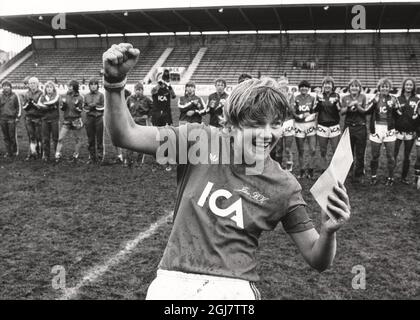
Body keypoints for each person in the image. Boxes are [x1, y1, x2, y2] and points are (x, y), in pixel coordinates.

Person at [102, 43, 351, 300]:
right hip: (172, 285)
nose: (267, 134)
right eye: (255, 124)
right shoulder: (198, 141)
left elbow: (316, 257)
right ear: (230, 125)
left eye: (276, 124)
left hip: (233, 292)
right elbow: (125, 134)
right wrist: (114, 81)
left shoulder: (284, 185)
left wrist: (329, 231)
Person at [364, 78, 399, 186]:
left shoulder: (394, 98)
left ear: (389, 88)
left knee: (390, 156)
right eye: (382, 86)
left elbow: (399, 114)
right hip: (376, 128)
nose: (384, 88)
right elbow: (367, 110)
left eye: (386, 86)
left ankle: (391, 177)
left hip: (389, 129)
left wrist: (394, 107)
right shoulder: (375, 97)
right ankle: (373, 176)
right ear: (379, 88)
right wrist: (374, 103)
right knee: (375, 155)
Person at [340, 79, 368, 184]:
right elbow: (342, 112)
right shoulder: (345, 98)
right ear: (349, 87)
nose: (354, 87)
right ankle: (349, 172)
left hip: (360, 127)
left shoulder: (363, 97)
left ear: (359, 88)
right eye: (352, 86)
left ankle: (359, 174)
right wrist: (348, 106)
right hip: (348, 127)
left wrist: (357, 105)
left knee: (360, 152)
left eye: (356, 86)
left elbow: (365, 112)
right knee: (348, 152)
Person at [394, 77, 420, 184]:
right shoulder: (397, 99)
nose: (408, 86)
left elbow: (419, 117)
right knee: (393, 154)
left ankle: (403, 177)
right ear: (404, 86)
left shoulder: (417, 100)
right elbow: (393, 115)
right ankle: (391, 176)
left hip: (410, 132)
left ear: (413, 87)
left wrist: (416, 129)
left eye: (410, 85)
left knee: (407, 156)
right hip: (397, 132)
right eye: (407, 84)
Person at [314, 76, 341, 171]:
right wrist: (318, 102)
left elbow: (339, 110)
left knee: (335, 150)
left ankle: (336, 169)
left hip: (334, 126)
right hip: (322, 126)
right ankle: (324, 169)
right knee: (323, 150)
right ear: (323, 86)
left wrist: (337, 103)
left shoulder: (336, 95)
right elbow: (314, 110)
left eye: (329, 84)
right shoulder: (319, 96)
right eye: (325, 84)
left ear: (332, 86)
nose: (327, 85)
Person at [55, 80, 84, 162]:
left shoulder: (80, 97)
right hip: (67, 120)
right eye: (69, 86)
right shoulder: (64, 96)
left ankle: (76, 155)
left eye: (71, 86)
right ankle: (57, 154)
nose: (69, 87)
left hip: (76, 119)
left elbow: (81, 109)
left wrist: (77, 107)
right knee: (60, 138)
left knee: (78, 139)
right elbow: (62, 108)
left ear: (75, 87)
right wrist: (63, 106)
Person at [124, 82, 153, 166]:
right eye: (137, 90)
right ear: (134, 90)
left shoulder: (146, 99)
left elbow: (153, 107)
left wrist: (148, 115)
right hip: (131, 123)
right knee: (129, 141)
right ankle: (128, 160)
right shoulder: (130, 98)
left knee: (141, 142)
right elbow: (125, 109)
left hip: (142, 123)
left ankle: (139, 161)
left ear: (143, 91)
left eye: (140, 90)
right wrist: (128, 117)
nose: (138, 91)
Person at [270, 76, 295, 171]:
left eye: (284, 83)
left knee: (288, 148)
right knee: (278, 148)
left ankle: (289, 168)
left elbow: (292, 111)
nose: (282, 86)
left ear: (287, 84)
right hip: (278, 122)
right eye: (281, 84)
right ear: (278, 85)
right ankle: (278, 168)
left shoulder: (291, 95)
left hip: (288, 122)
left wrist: (287, 100)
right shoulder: (274, 95)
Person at [293, 80, 317, 179]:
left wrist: (310, 116)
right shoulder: (296, 98)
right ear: (299, 88)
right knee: (301, 150)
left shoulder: (312, 98)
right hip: (299, 125)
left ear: (308, 88)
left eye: (306, 87)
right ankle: (302, 171)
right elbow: (293, 112)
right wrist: (300, 116)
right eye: (302, 87)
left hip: (310, 125)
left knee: (313, 149)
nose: (304, 88)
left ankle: (310, 171)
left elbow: (315, 112)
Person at [84, 77, 105, 164]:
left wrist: (95, 106)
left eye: (95, 84)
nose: (93, 86)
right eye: (91, 84)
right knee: (90, 139)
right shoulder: (86, 96)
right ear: (89, 86)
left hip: (98, 118)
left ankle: (100, 157)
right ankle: (92, 157)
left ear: (97, 86)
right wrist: (89, 107)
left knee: (99, 139)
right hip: (89, 118)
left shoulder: (101, 95)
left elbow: (103, 107)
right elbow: (84, 107)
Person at [22, 77, 43, 160]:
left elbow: (42, 106)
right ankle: (32, 152)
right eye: (30, 83)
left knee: (39, 136)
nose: (32, 85)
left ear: (37, 84)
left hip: (38, 118)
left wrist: (34, 104)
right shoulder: (26, 94)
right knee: (31, 136)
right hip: (29, 117)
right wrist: (28, 104)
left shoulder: (41, 93)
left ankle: (40, 152)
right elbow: (24, 106)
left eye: (34, 83)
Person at [37, 81, 59, 161]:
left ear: (53, 88)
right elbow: (39, 104)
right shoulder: (42, 97)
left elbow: (53, 102)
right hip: (45, 120)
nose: (49, 89)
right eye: (47, 87)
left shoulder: (56, 96)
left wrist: (45, 106)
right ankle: (46, 155)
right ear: (45, 88)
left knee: (55, 138)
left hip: (54, 120)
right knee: (45, 138)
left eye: (51, 87)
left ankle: (57, 155)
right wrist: (49, 107)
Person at [0, 80, 21, 158]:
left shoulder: (15, 95)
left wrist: (18, 117)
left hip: (12, 119)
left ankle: (14, 151)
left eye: (7, 86)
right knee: (5, 136)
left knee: (12, 136)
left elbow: (18, 106)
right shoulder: (0, 96)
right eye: (4, 86)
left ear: (10, 87)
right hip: (2, 118)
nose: (6, 87)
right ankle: (8, 152)